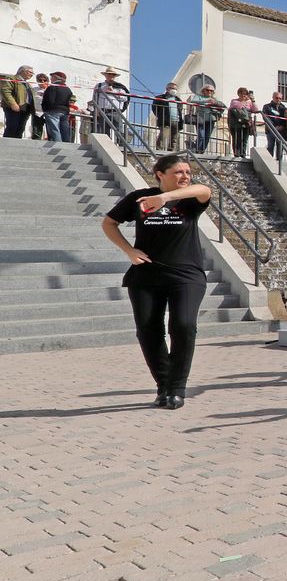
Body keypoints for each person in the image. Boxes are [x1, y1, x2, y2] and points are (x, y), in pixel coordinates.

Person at [101, 153, 213, 409]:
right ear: (160, 174)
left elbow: (205, 190)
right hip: (146, 275)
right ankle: (164, 386)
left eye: (188, 172)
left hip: (186, 275)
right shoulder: (139, 198)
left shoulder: (189, 200)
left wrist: (165, 198)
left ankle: (177, 388)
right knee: (148, 330)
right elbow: (109, 223)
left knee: (183, 325)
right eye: (178, 172)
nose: (185, 176)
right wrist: (129, 251)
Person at [91, 67, 130, 137]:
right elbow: (95, 98)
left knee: (119, 132)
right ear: (105, 75)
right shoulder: (99, 86)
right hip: (102, 111)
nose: (111, 76)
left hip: (115, 112)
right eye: (109, 74)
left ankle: (121, 144)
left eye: (113, 75)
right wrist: (96, 110)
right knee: (104, 133)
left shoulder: (120, 87)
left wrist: (113, 92)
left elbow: (124, 99)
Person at [186, 85, 223, 154]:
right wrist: (207, 100)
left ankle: (201, 150)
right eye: (207, 90)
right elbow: (193, 101)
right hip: (200, 119)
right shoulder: (199, 96)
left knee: (207, 137)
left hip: (211, 119)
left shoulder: (214, 99)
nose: (209, 92)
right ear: (203, 91)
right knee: (201, 135)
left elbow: (222, 105)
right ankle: (197, 149)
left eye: (211, 91)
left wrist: (215, 103)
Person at [39, 71, 73, 142]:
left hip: (53, 110)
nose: (50, 79)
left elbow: (50, 100)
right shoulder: (68, 89)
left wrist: (45, 109)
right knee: (64, 130)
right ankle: (66, 144)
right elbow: (70, 100)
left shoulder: (53, 87)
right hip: (64, 111)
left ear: (55, 77)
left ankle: (57, 144)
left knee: (54, 129)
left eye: (52, 77)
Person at [2, 64, 34, 138]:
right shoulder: (11, 78)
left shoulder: (27, 83)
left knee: (20, 128)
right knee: (12, 127)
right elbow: (6, 91)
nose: (32, 74)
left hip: (25, 108)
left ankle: (17, 144)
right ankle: (7, 144)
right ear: (22, 71)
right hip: (13, 108)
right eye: (30, 72)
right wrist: (12, 104)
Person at [151, 82, 185, 152]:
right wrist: (161, 116)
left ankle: (170, 152)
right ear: (167, 89)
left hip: (176, 120)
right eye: (172, 88)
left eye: (176, 89)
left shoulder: (178, 100)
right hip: (165, 121)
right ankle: (159, 151)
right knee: (163, 136)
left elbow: (180, 109)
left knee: (174, 139)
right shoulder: (160, 98)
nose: (174, 90)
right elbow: (155, 108)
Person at [260, 92, 287, 157]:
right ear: (273, 98)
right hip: (270, 130)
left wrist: (282, 126)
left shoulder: (283, 108)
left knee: (280, 146)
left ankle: (279, 160)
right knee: (270, 146)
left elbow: (285, 119)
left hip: (280, 130)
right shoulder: (266, 106)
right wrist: (274, 127)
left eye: (280, 98)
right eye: (277, 98)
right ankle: (269, 160)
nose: (278, 100)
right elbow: (266, 118)